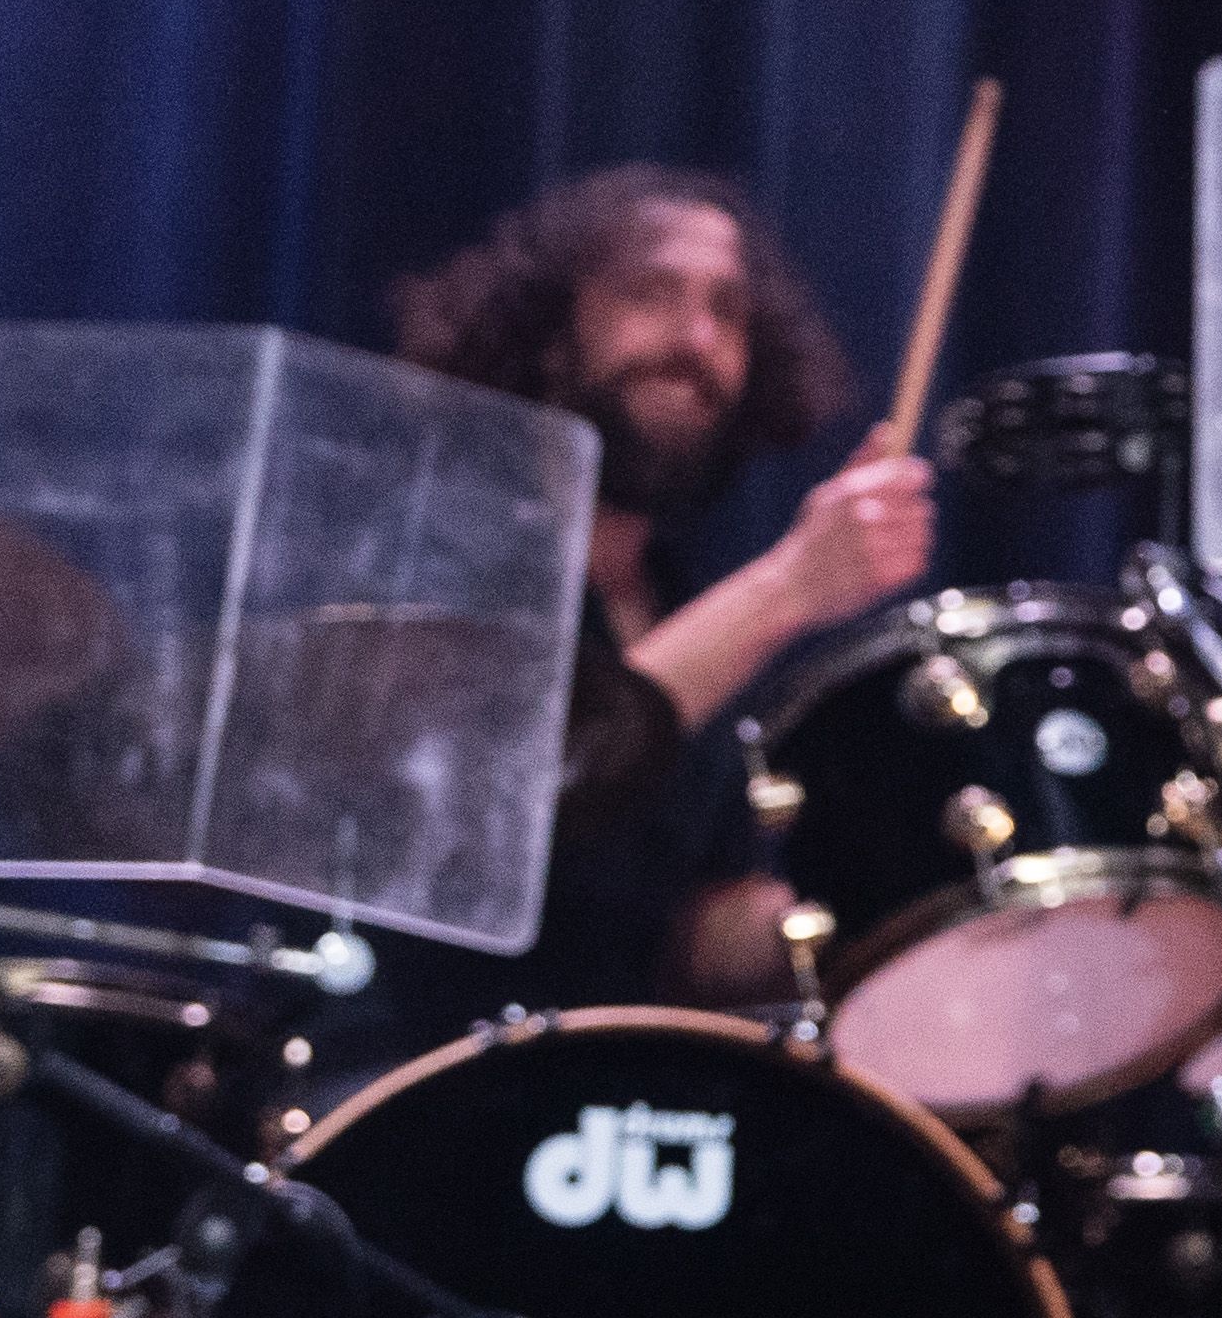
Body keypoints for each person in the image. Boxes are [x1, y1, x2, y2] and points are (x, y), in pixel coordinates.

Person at [384, 165, 935, 1016]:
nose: (698, 340)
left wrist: (876, 917)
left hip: (621, 1078)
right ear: (549, 336)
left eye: (729, 311)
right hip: (416, 1066)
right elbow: (515, 797)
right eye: (649, 294)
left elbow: (685, 951)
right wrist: (791, 583)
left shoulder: (679, 600)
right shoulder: (430, 557)